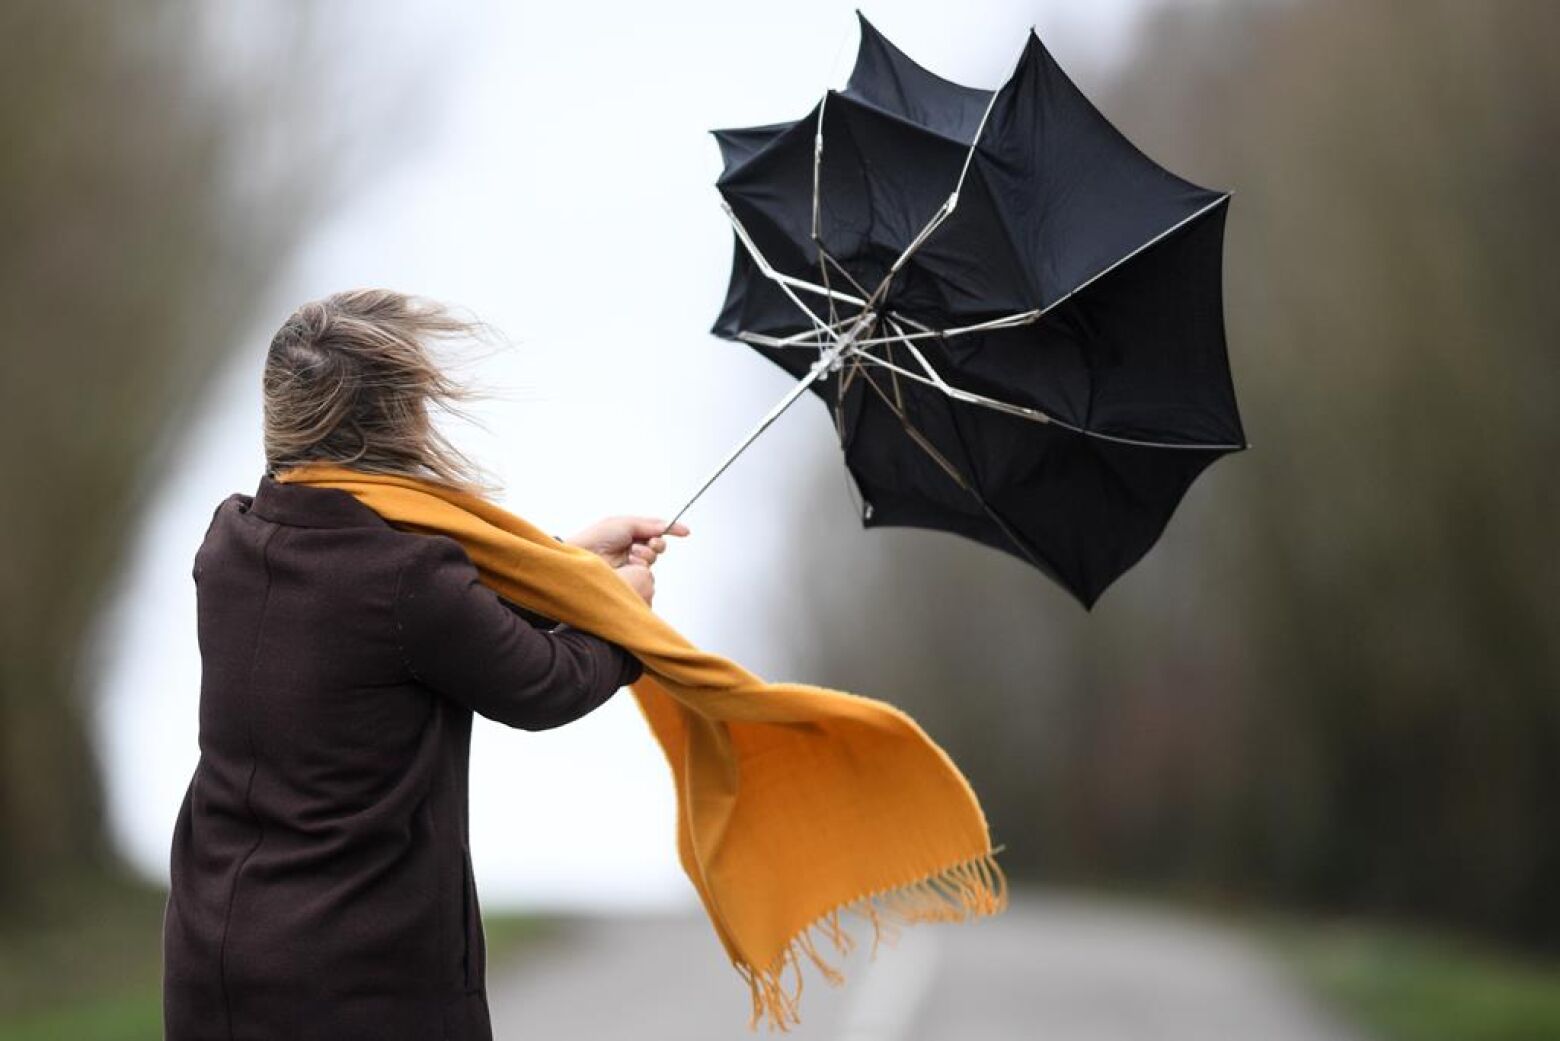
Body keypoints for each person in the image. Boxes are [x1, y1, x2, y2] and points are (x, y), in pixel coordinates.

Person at [161, 289, 686, 1041]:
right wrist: (623, 616)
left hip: (213, 960)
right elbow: (542, 680)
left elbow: (440, 625)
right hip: (358, 982)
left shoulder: (232, 539)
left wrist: (572, 568)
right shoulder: (406, 578)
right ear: (401, 420)